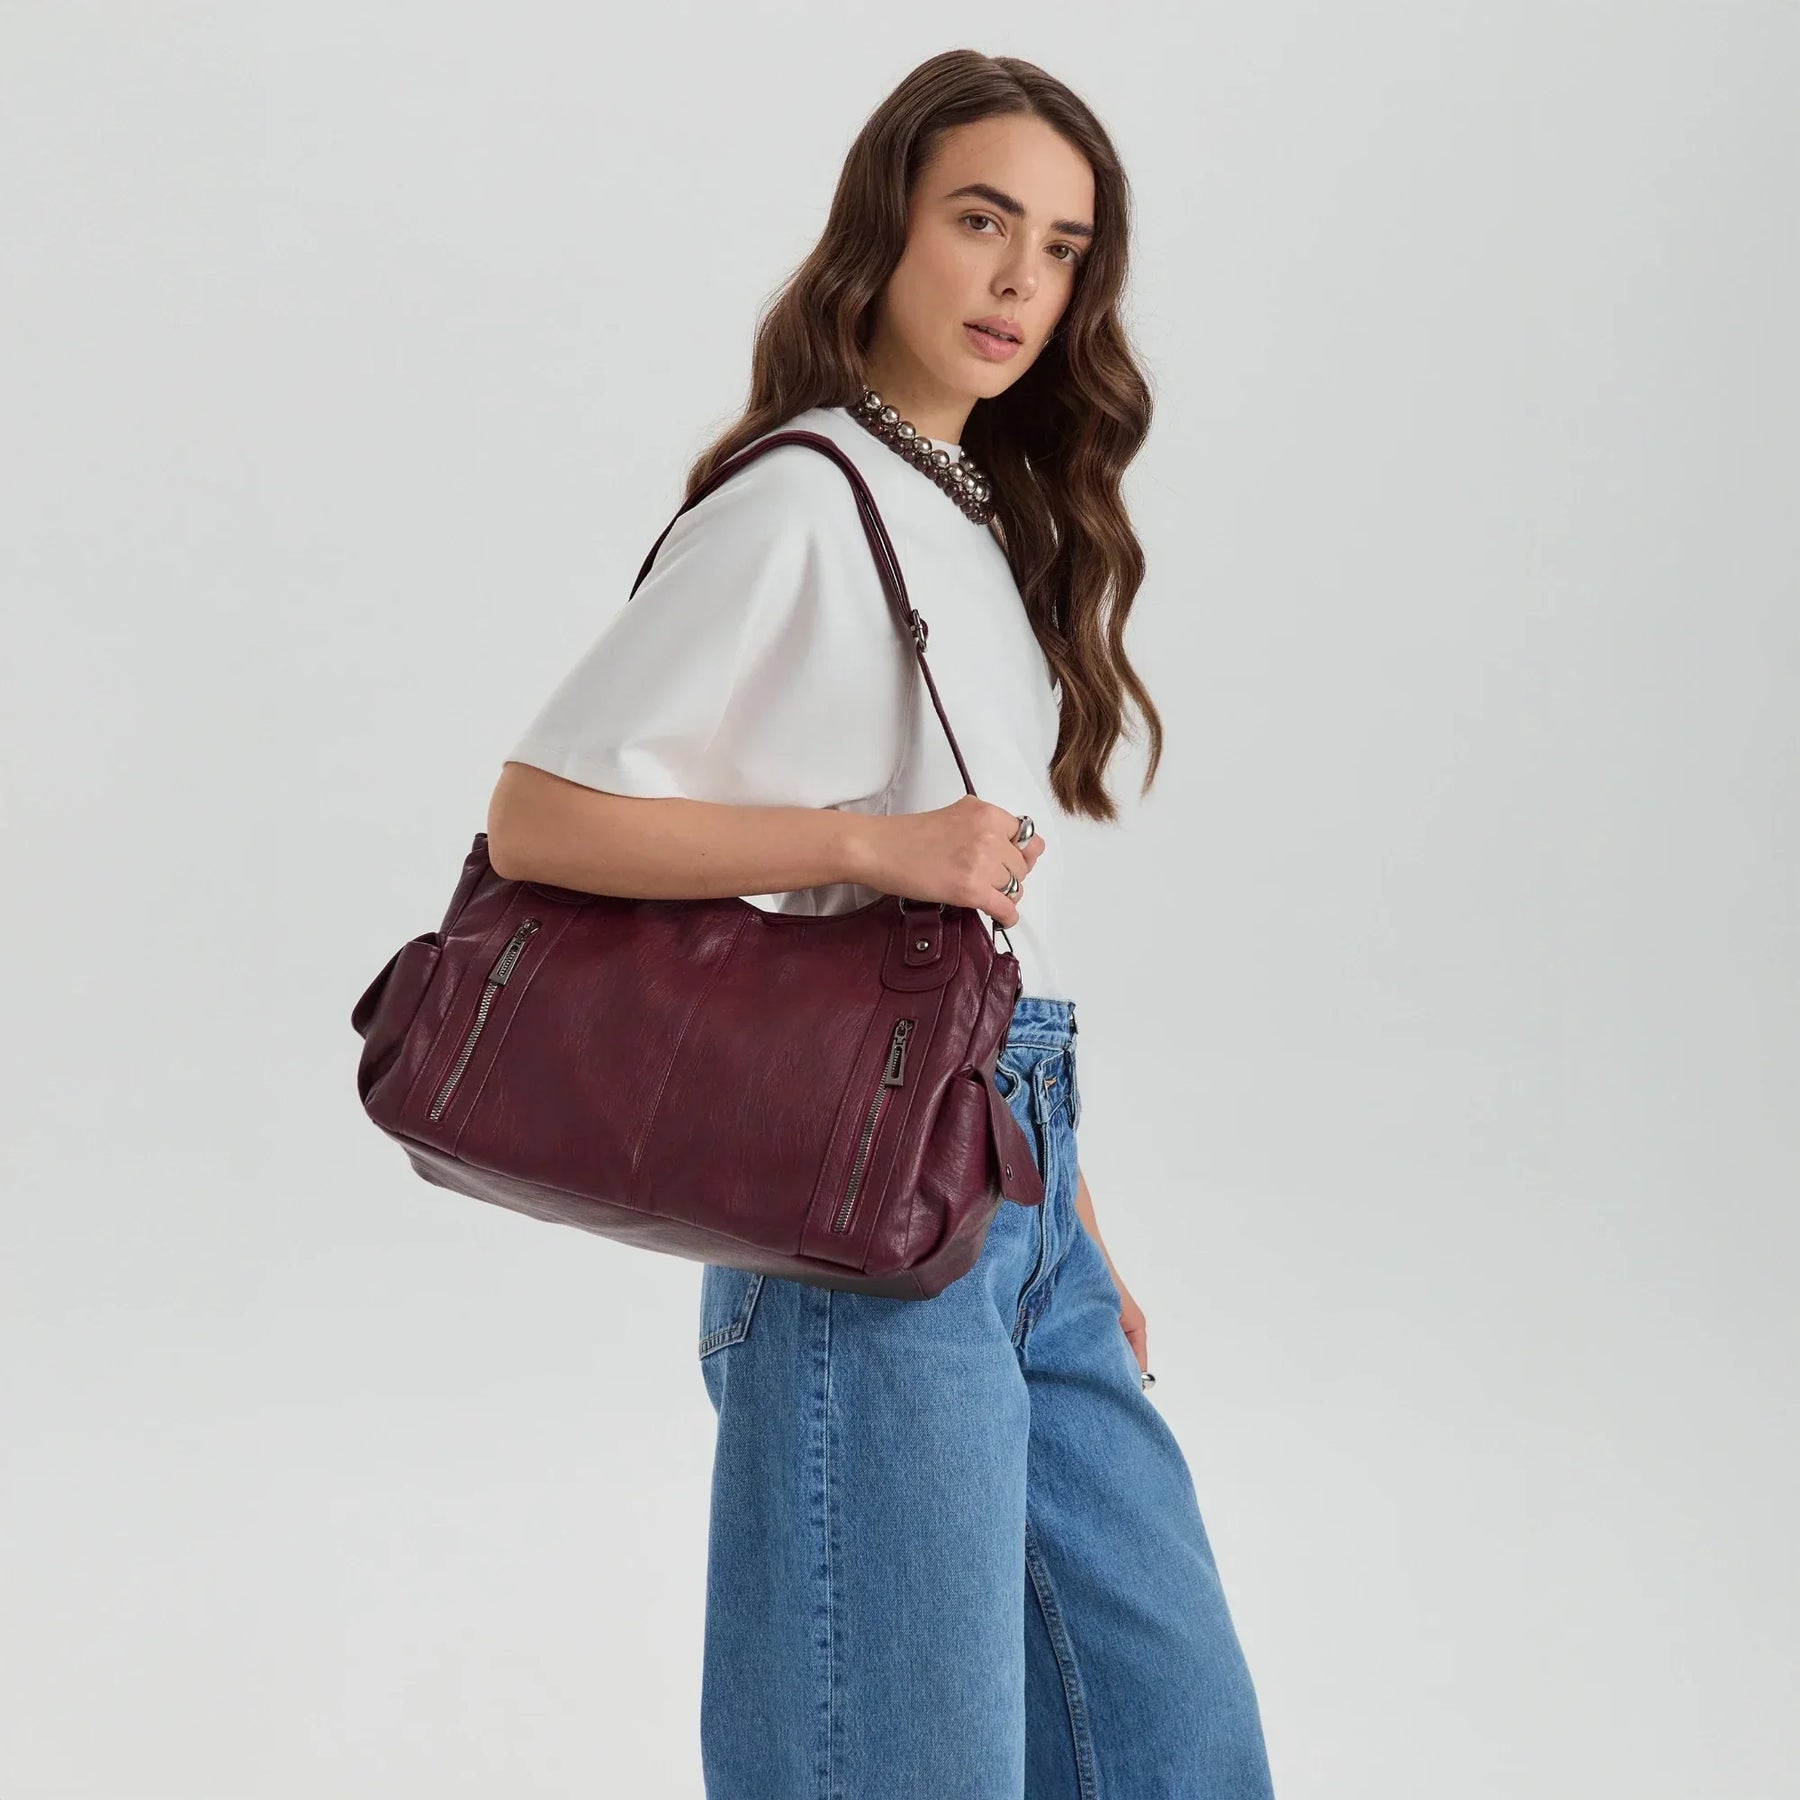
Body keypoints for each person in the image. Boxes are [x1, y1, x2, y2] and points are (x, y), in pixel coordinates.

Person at [485, 48, 1276, 1800]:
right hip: (868, 1217)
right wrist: (874, 846)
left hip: (1020, 1183)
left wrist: (1077, 1227)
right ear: (888, 228)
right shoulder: (799, 498)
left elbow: (1003, 955)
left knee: (1177, 1743)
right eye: (982, 222)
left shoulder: (973, 514)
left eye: (1062, 249)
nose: (1020, 282)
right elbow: (539, 814)